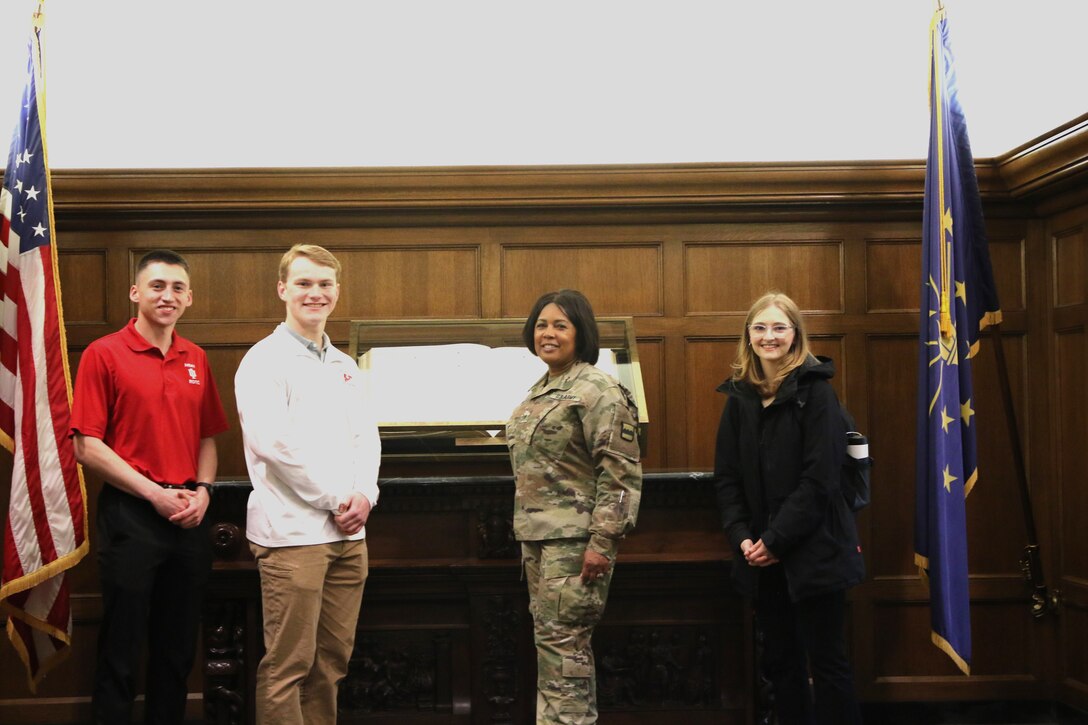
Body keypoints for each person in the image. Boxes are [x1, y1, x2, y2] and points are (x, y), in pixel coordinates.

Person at [70, 249, 229, 725]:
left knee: (177, 650)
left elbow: (207, 438)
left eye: (177, 288)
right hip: (132, 514)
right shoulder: (104, 353)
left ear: (190, 298)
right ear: (135, 293)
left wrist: (203, 491)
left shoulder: (195, 357)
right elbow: (86, 446)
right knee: (122, 646)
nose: (168, 295)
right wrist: (154, 494)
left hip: (188, 516)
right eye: (157, 286)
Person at [235, 243, 381, 725]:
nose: (314, 293)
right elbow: (273, 448)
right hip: (294, 537)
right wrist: (338, 497)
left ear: (336, 291)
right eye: (303, 283)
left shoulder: (343, 364)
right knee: (288, 666)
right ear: (283, 289)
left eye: (324, 284)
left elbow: (367, 437)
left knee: (330, 665)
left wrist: (366, 495)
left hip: (348, 536)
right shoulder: (263, 361)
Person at [713, 291, 865, 725]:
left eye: (779, 327)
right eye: (760, 327)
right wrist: (743, 536)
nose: (769, 336)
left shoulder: (817, 393)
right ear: (749, 336)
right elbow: (727, 479)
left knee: (829, 664)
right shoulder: (739, 397)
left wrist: (777, 540)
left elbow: (820, 481)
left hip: (814, 550)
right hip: (761, 555)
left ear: (796, 335)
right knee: (781, 663)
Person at [507, 289, 642, 724]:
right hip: (539, 540)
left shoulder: (597, 390)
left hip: (575, 543)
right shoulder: (542, 389)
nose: (548, 333)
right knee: (555, 650)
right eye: (542, 324)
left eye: (560, 325)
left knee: (565, 653)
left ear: (581, 333)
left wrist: (603, 542)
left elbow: (620, 474)